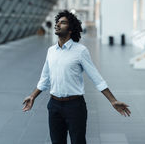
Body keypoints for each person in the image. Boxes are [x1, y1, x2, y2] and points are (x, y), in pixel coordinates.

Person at [22, 10, 131, 144]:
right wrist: (33, 96)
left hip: (74, 106)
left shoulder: (80, 51)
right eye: (57, 22)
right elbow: (45, 78)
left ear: (70, 29)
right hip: (54, 105)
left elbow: (96, 78)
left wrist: (113, 100)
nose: (57, 25)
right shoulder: (51, 51)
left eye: (62, 23)